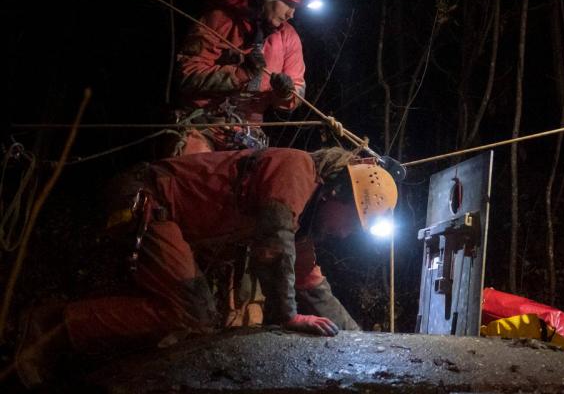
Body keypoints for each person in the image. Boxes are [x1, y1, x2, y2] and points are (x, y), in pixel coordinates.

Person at [14, 147, 397, 388]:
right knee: (191, 310)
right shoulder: (296, 171)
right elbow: (274, 244)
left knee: (182, 311)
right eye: (353, 221)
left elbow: (311, 283)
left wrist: (364, 342)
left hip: (162, 212)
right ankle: (45, 329)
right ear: (338, 193)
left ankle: (61, 339)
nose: (347, 234)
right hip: (146, 199)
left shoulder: (302, 216)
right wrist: (287, 315)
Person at [174, 0, 317, 154]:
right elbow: (186, 75)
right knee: (195, 167)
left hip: (249, 136)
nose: (291, 14)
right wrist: (240, 73)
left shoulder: (288, 38)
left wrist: (285, 93)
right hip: (203, 126)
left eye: (296, 7)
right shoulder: (220, 19)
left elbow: (298, 90)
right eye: (289, 4)